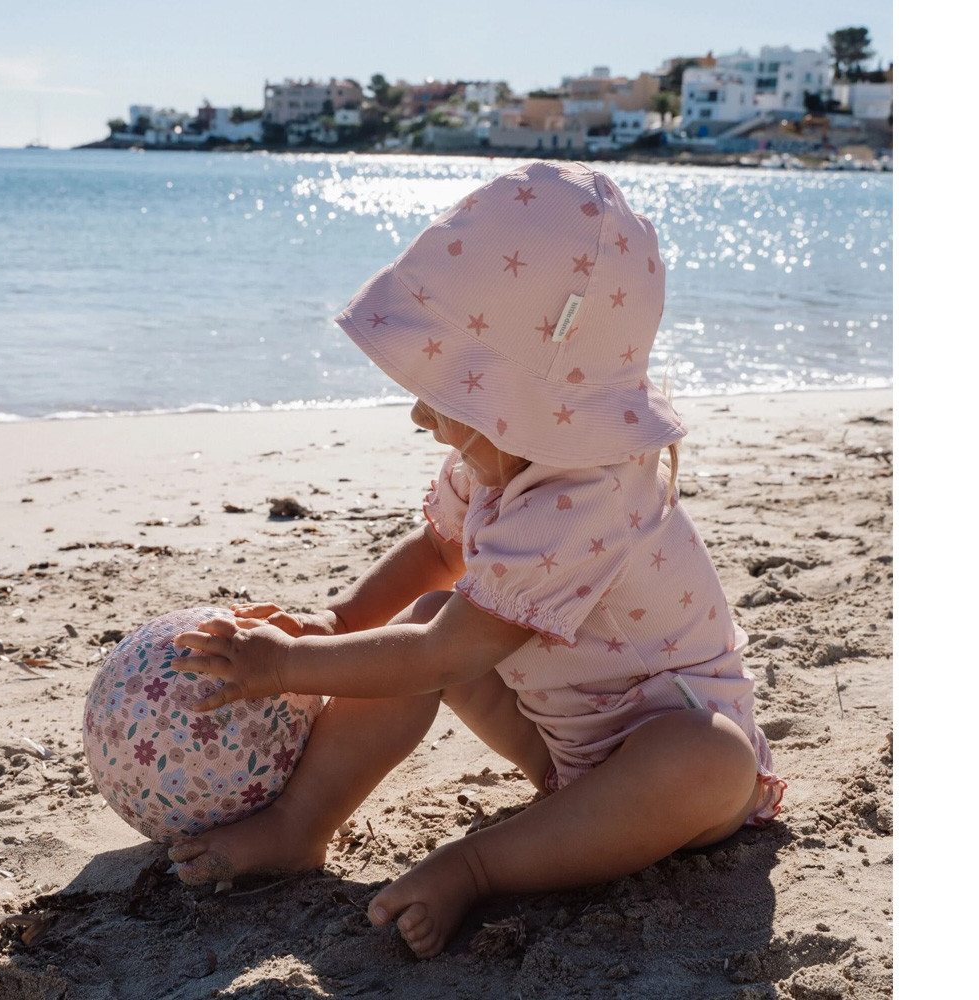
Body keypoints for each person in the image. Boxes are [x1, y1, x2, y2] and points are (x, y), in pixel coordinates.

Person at [170, 160, 785, 959]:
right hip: (565, 754)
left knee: (706, 755)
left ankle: (480, 866)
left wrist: (289, 664)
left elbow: (447, 654)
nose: (421, 413)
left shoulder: (586, 494)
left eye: (451, 391)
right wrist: (340, 621)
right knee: (425, 612)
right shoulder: (503, 458)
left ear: (524, 403)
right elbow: (436, 550)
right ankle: (300, 824)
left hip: (676, 790)